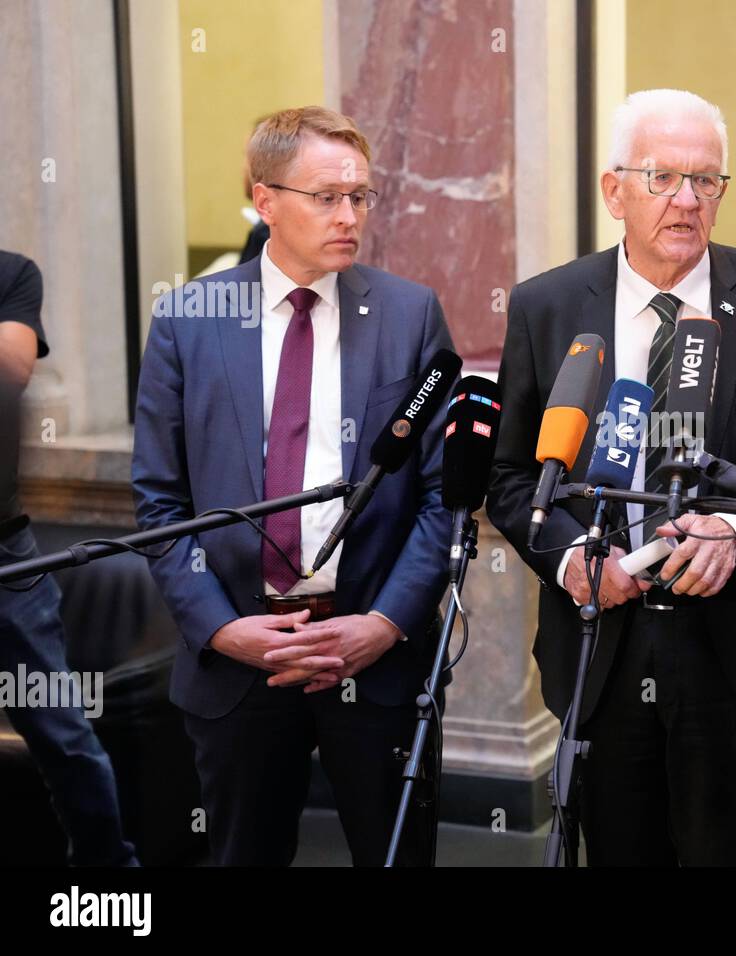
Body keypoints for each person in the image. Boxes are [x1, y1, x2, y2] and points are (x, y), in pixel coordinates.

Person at [487, 89, 736, 866]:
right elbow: (513, 477)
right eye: (663, 179)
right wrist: (566, 556)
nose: (687, 201)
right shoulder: (545, 307)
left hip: (735, 650)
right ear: (614, 189)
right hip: (602, 648)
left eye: (707, 181)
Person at [132, 107, 455, 866]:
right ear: (265, 198)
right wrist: (219, 628)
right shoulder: (188, 321)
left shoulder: (409, 315)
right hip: (240, 664)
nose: (349, 216)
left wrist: (383, 623)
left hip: (375, 661)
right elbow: (159, 502)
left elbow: (444, 498)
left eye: (361, 197)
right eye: (326, 197)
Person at [0, 250, 137, 866]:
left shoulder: (12, 273)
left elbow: (12, 368)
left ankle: (108, 884)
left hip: (7, 555)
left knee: (63, 736)